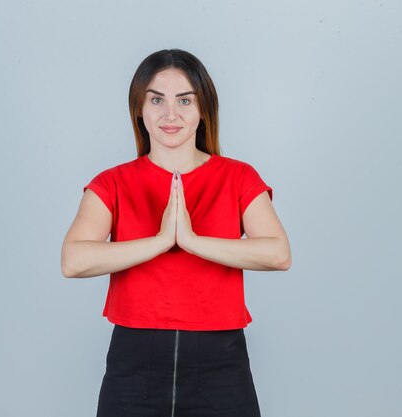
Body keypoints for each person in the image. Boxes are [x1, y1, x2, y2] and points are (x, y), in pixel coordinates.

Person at [61, 48, 291, 417]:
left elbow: (278, 253)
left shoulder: (238, 176)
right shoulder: (112, 183)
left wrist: (192, 241)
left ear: (203, 109)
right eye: (156, 99)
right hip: (134, 365)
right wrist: (159, 241)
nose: (170, 114)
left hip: (220, 366)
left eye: (185, 100)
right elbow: (73, 261)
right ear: (139, 108)